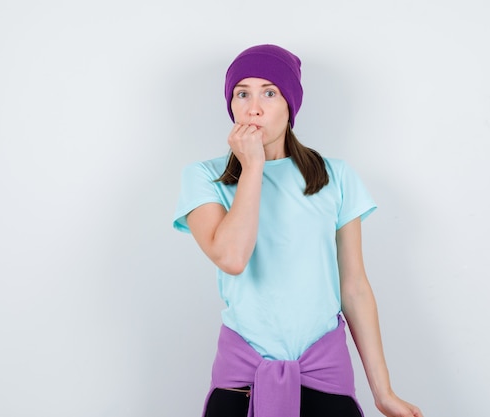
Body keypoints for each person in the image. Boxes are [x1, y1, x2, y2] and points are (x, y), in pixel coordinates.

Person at [173, 44, 423, 417]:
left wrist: (382, 391)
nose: (253, 107)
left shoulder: (335, 176)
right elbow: (232, 257)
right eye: (243, 93)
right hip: (241, 383)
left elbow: (353, 287)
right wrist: (253, 166)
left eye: (269, 93)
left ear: (291, 104)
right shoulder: (204, 177)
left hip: (324, 375)